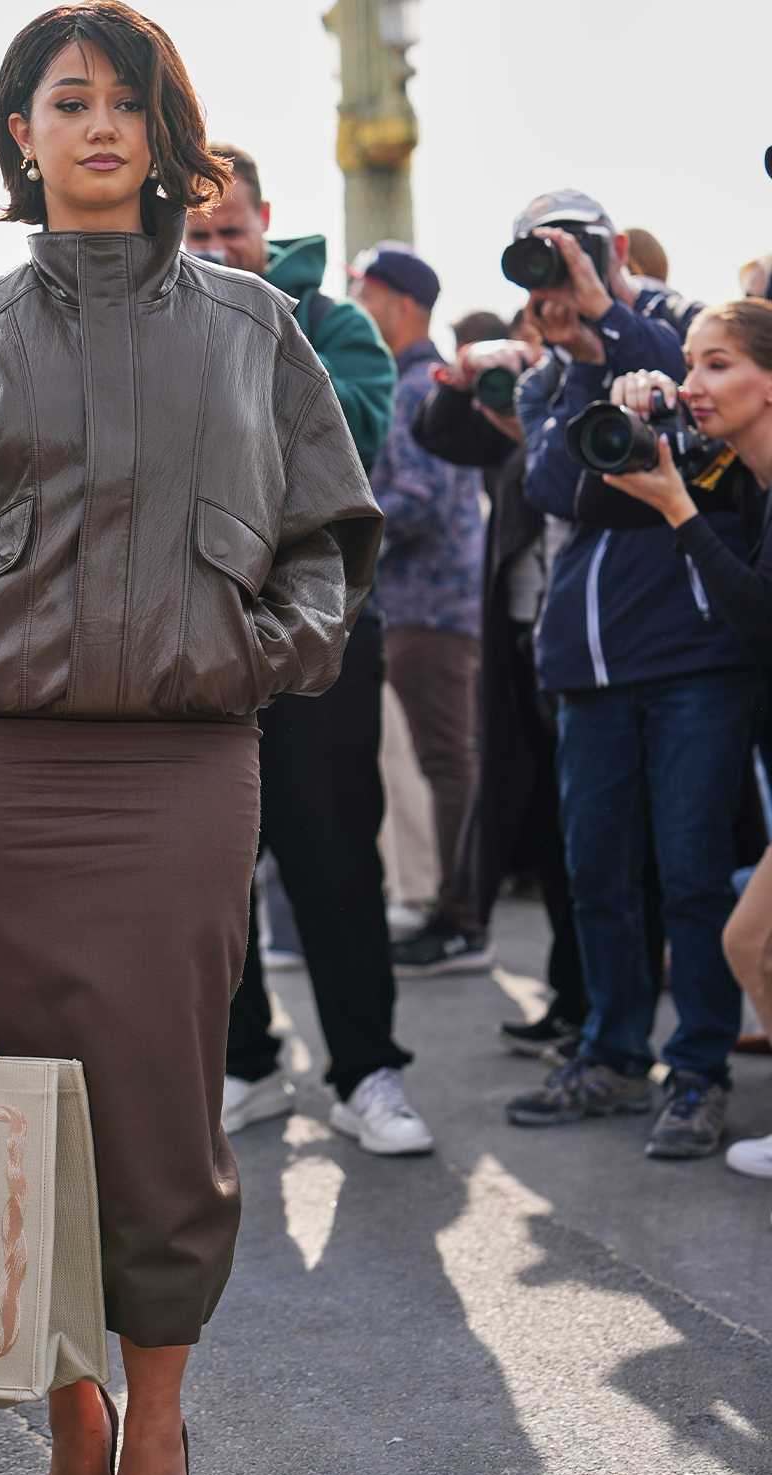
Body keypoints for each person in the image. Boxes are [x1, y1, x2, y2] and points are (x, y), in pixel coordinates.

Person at [0, 3, 382, 1475]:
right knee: (22, 1122)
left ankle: (161, 1416)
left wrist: (267, 646)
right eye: (68, 102)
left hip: (185, 772)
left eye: (128, 102)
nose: (100, 126)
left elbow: (334, 534)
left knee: (158, 1113)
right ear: (22, 136)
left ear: (166, 133)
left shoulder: (254, 330)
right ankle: (67, 1418)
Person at [186, 146, 429, 1154]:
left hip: (319, 636)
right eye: (192, 236)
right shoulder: (146, 326)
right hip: (191, 641)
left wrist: (246, 338)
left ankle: (365, 1072)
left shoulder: (335, 326)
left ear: (265, 221)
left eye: (227, 231)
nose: (212, 251)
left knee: (332, 862)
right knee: (205, 871)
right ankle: (245, 1065)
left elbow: (348, 442)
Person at [510, 191, 760, 1160]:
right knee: (594, 872)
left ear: (609, 247)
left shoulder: (674, 327)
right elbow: (553, 485)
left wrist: (609, 326)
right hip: (585, 662)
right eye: (538, 251)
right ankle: (612, 1051)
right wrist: (578, 363)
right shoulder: (551, 366)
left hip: (695, 656)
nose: (557, 273)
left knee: (692, 870)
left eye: (569, 246)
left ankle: (696, 1070)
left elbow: (688, 418)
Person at [587, 301, 772, 1178]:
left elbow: (758, 621)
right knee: (750, 941)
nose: (695, 385)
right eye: (691, 364)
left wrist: (675, 507)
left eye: (719, 365)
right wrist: (642, 412)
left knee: (744, 937)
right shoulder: (750, 477)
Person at [411, 326, 591, 1054]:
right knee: (549, 836)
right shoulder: (525, 400)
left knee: (598, 849)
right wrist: (466, 375)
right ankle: (573, 1001)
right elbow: (440, 436)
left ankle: (606, 1019)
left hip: (589, 651)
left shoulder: (589, 396)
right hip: (524, 646)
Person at [352, 242, 491, 975]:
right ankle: (451, 911)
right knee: (438, 760)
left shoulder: (417, 385)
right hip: (419, 604)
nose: (359, 309)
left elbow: (424, 497)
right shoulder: (412, 381)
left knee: (446, 761)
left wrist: (344, 522)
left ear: (401, 304)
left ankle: (460, 918)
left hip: (429, 606)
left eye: (366, 295)